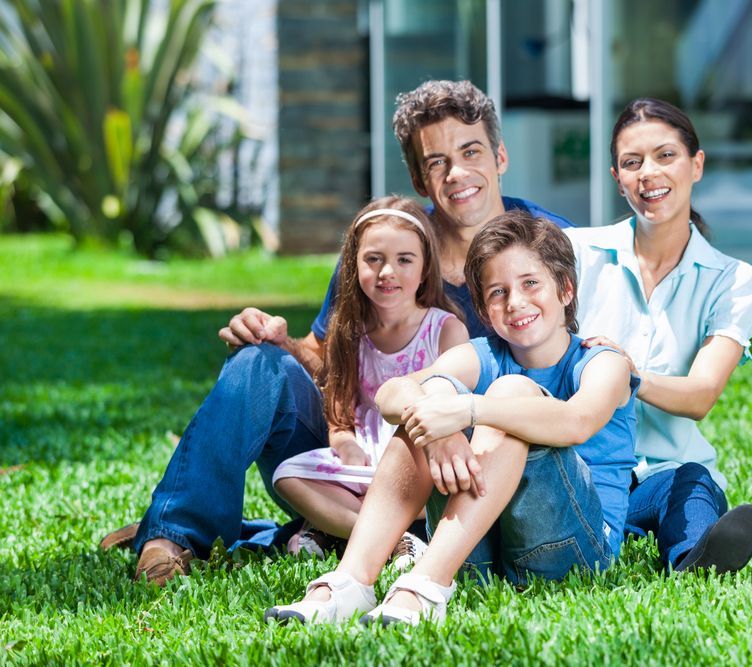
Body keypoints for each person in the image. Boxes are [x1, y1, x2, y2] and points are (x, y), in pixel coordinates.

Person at [100, 79, 574, 586]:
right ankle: (172, 535)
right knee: (257, 362)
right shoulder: (389, 243)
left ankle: (306, 533)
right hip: (362, 449)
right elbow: (335, 359)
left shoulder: (549, 244)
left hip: (468, 460)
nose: (457, 174)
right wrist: (279, 340)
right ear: (418, 178)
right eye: (436, 162)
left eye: (471, 151)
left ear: (500, 156)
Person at [264, 211, 638, 626]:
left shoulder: (601, 362)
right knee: (430, 396)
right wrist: (439, 430)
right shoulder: (483, 354)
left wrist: (469, 410)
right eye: (497, 292)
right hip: (478, 551)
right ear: (483, 307)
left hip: (575, 550)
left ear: (566, 289)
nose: (515, 303)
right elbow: (393, 392)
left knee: (506, 396)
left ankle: (425, 584)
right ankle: (353, 580)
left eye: (531, 283)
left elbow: (577, 421)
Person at [567, 98, 752, 576]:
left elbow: (700, 395)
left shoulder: (735, 280)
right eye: (632, 163)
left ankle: (695, 559)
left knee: (691, 486)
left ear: (696, 165)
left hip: (666, 473)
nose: (648, 174)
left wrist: (627, 375)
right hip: (581, 471)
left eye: (666, 156)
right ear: (617, 179)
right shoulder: (574, 252)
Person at [270, 196, 468, 562]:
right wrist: (346, 446)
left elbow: (452, 410)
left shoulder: (445, 330)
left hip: (418, 458)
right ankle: (394, 541)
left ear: (425, 268)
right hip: (363, 462)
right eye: (373, 259)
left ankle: (335, 529)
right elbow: (341, 412)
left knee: (444, 488)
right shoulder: (350, 332)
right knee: (287, 476)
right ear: (354, 265)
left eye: (404, 260)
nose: (387, 271)